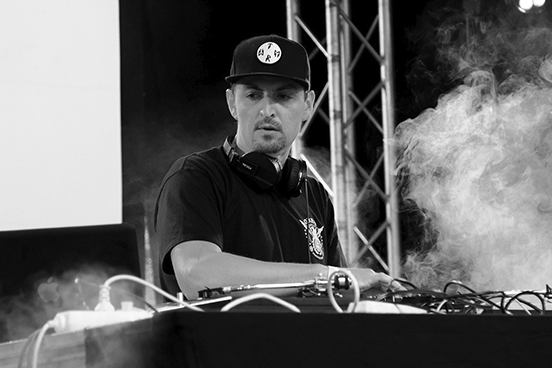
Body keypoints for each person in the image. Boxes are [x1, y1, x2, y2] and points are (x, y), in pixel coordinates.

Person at [154, 34, 399, 300]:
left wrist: (376, 298)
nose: (267, 110)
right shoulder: (195, 176)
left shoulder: (315, 196)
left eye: (283, 96)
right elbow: (197, 274)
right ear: (232, 103)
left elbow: (336, 299)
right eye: (253, 95)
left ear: (308, 105)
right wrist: (325, 275)